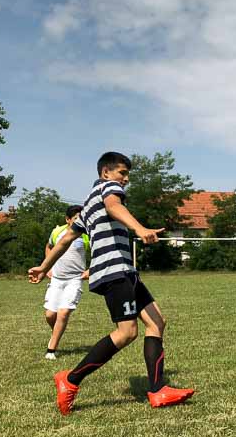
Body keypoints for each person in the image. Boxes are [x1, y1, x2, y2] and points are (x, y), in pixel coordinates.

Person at [29, 151, 194, 414]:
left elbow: (64, 240)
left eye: (127, 175)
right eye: (122, 173)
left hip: (125, 272)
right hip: (113, 271)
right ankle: (70, 380)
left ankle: (158, 390)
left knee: (156, 322)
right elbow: (114, 206)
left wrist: (43, 266)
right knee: (127, 332)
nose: (126, 179)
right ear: (106, 172)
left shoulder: (86, 207)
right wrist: (140, 229)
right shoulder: (108, 189)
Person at [42, 205, 90, 360]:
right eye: (76, 218)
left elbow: (98, 252)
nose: (79, 221)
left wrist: (90, 270)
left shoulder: (86, 235)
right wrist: (47, 267)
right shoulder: (57, 232)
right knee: (50, 315)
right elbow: (49, 247)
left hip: (75, 279)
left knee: (63, 314)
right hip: (56, 279)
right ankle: (58, 330)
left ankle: (51, 350)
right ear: (68, 219)